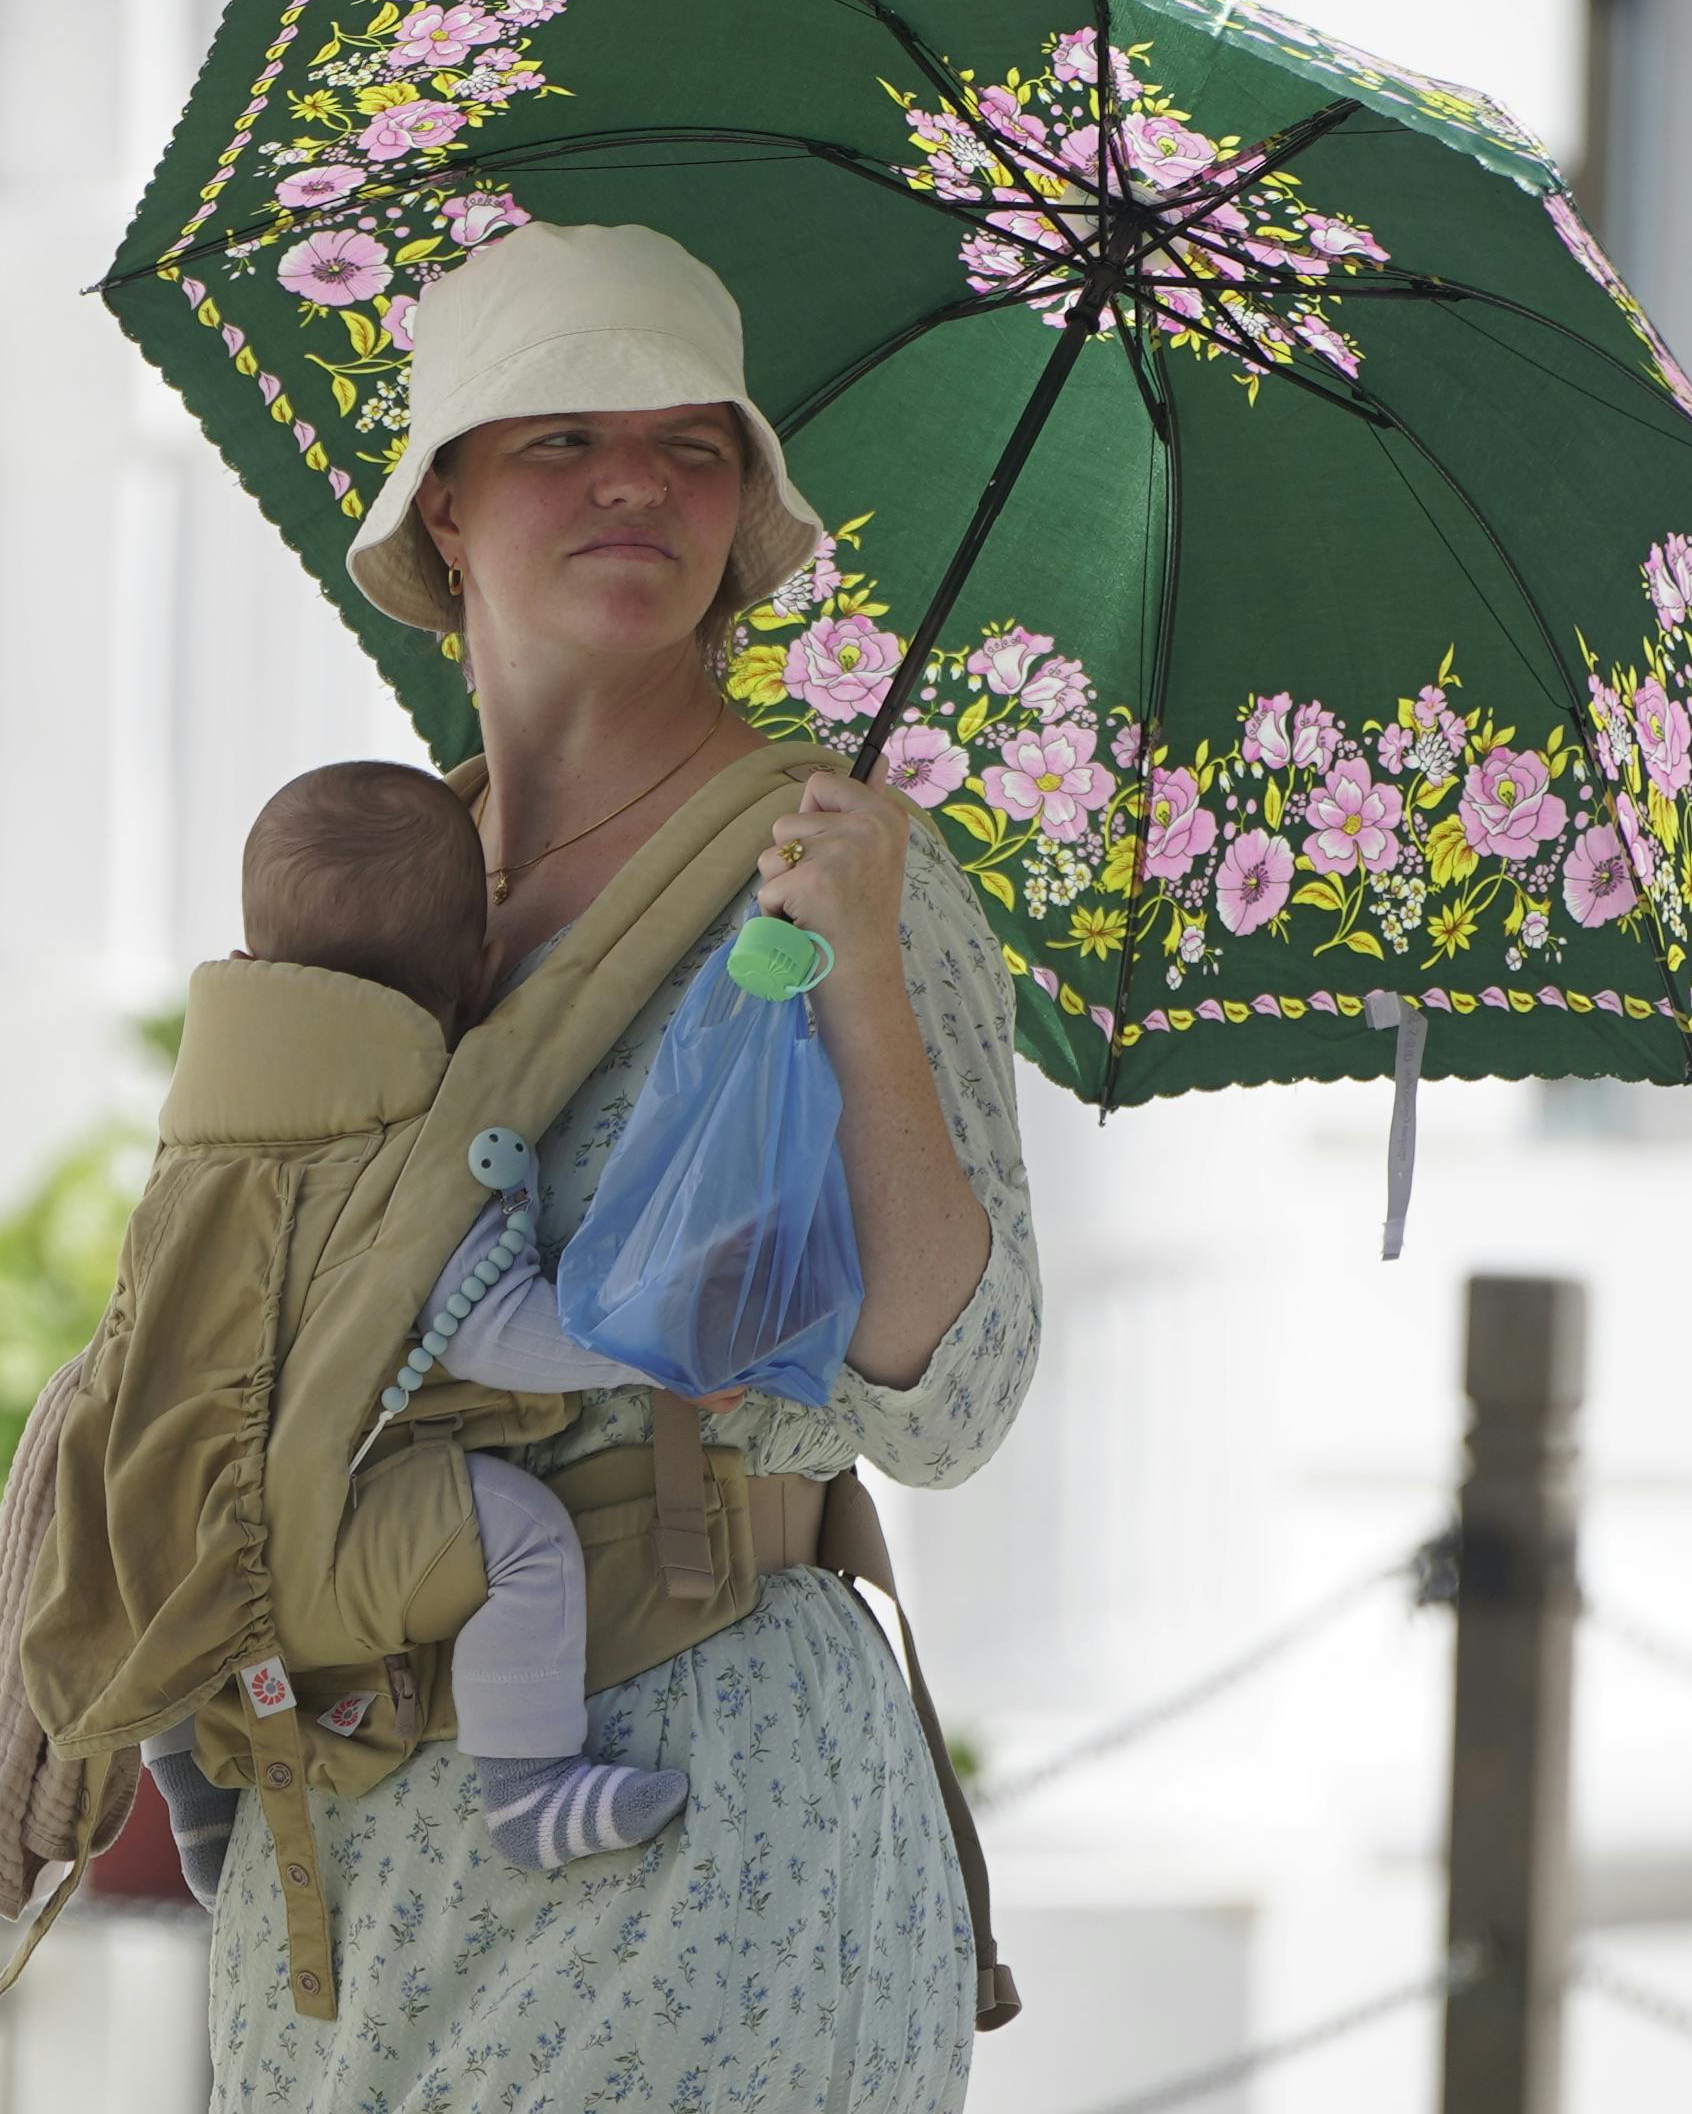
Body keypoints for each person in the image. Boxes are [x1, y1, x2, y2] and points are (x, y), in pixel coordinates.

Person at [200, 219, 1042, 2111]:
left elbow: (952, 1399)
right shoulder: (364, 882)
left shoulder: (839, 867)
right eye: (561, 432)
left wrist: (864, 979)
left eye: (693, 440)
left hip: (697, 1794)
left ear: (745, 505)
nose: (637, 481)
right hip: (350, 1813)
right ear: (442, 508)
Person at [138, 758, 697, 1891]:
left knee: (138, 1537)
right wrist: (658, 1337)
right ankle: (531, 1788)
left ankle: (191, 1778)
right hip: (313, 1540)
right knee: (521, 1540)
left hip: (174, 1520)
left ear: (249, 969)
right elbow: (491, 1331)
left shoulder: (195, 1134)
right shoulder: (425, 1144)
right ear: (481, 975)